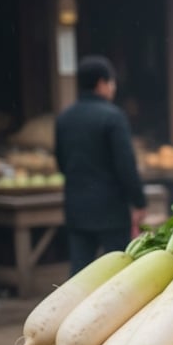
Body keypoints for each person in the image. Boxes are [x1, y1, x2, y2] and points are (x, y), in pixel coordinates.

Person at [55, 55, 147, 275]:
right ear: (101, 83)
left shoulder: (64, 118)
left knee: (79, 272)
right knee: (118, 271)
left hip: (77, 208)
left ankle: (71, 309)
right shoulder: (113, 117)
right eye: (112, 82)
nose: (113, 87)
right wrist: (139, 201)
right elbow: (126, 166)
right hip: (110, 210)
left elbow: (61, 163)